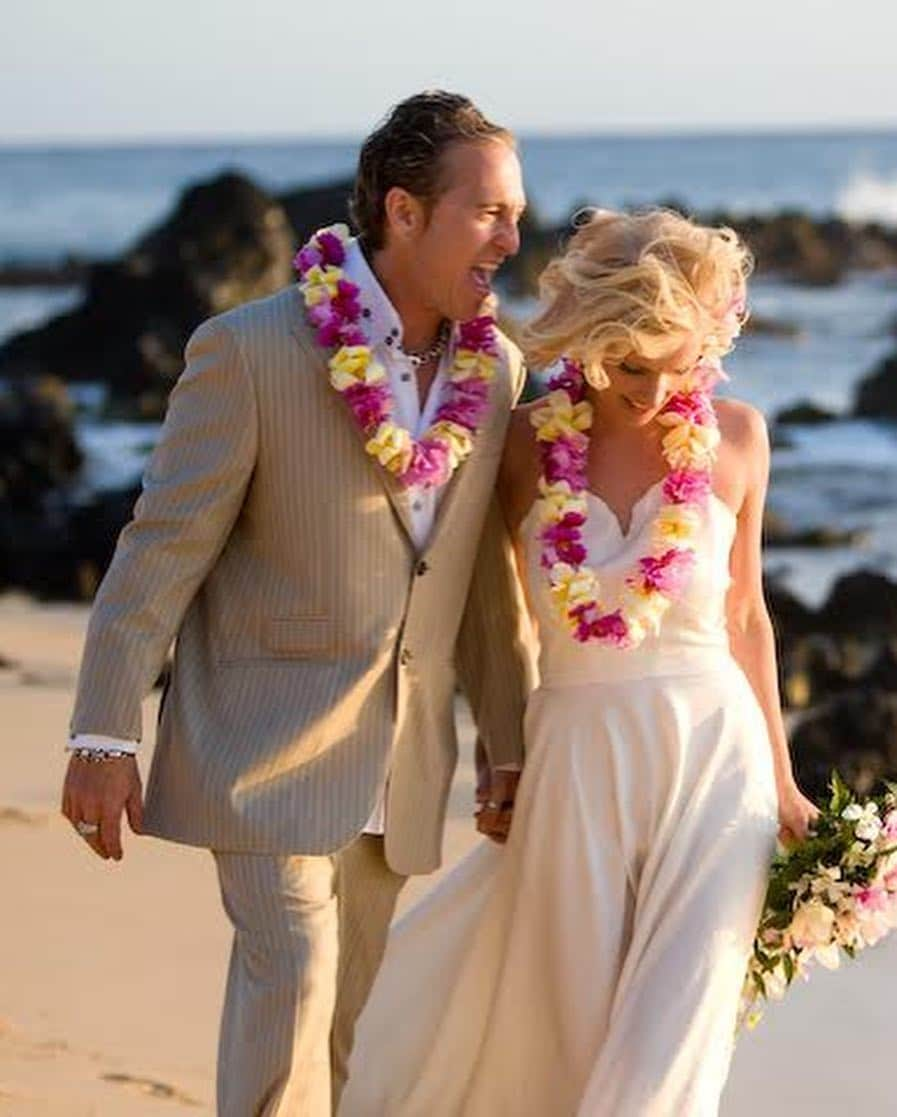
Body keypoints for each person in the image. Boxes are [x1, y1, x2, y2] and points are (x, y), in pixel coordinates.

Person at [60, 90, 534, 1116]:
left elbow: (487, 582)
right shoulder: (251, 350)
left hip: (404, 757)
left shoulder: (496, 372)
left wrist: (509, 744)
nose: (512, 235)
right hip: (262, 746)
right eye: (490, 211)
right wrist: (103, 729)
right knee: (297, 975)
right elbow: (161, 547)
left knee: (347, 1027)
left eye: (517, 214)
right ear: (404, 212)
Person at [341, 208, 819, 1116]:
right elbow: (488, 617)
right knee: (568, 1038)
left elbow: (747, 617)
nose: (653, 389)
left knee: (668, 1048)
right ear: (586, 343)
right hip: (575, 761)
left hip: (717, 762)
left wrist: (786, 782)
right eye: (629, 366)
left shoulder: (738, 437)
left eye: (679, 362)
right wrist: (500, 750)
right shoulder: (519, 446)